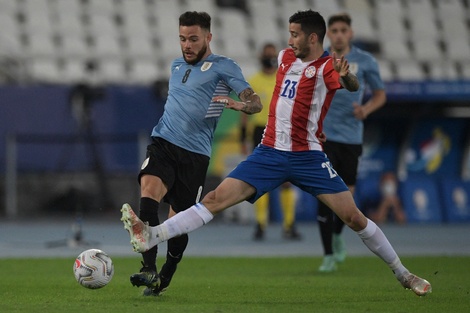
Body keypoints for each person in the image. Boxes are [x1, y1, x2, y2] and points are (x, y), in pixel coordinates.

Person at [121, 10, 432, 297]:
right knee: (214, 200)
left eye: (295, 34)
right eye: (289, 33)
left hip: (307, 156)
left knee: (353, 217)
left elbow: (350, 85)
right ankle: (151, 235)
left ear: (312, 38)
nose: (289, 40)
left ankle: (403, 274)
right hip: (269, 152)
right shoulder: (284, 57)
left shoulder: (326, 67)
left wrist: (347, 75)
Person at [126, 11, 262, 296]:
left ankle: (166, 274)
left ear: (208, 37)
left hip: (195, 155)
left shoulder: (224, 66)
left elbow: (255, 101)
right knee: (148, 194)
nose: (186, 45)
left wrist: (243, 105)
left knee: (178, 224)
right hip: (163, 142)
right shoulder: (176, 66)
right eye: (182, 39)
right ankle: (148, 269)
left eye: (193, 39)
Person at [316, 13, 387, 273]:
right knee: (323, 196)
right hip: (323, 137)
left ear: (350, 34)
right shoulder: (320, 60)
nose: (338, 34)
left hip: (352, 138)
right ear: (328, 34)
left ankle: (336, 236)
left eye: (342, 30)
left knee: (347, 199)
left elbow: (380, 95)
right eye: (333, 30)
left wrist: (366, 110)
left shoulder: (365, 61)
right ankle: (327, 255)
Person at [241, 43, 301, 240]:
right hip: (260, 131)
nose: (269, 58)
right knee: (260, 180)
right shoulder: (254, 81)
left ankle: (289, 225)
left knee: (286, 180)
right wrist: (244, 137)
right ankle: (261, 224)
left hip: (281, 130)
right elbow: (245, 111)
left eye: (271, 55)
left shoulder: (283, 79)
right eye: (266, 55)